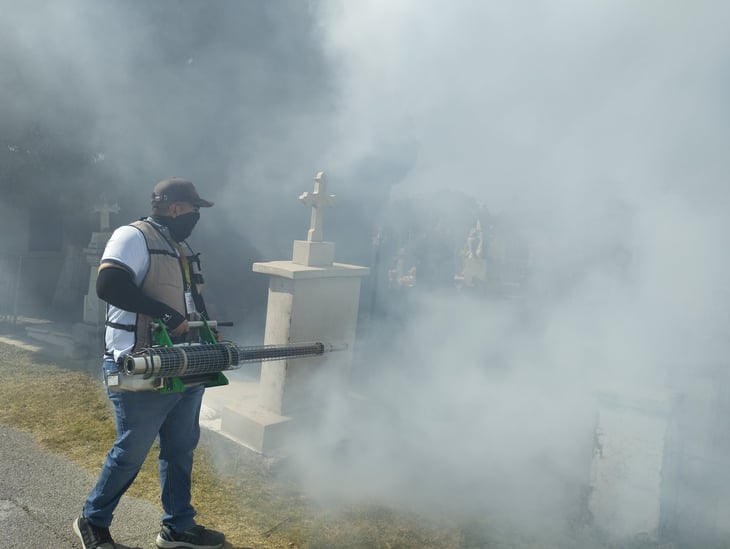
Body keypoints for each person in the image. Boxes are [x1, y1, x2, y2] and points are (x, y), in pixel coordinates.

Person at [73, 178, 226, 549]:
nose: (196, 217)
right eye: (194, 209)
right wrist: (168, 316)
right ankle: (92, 521)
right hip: (141, 362)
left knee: (181, 447)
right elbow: (108, 285)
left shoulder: (179, 245)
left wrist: (207, 332)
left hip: (184, 361)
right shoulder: (133, 236)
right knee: (132, 451)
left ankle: (177, 526)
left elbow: (189, 298)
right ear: (175, 208)